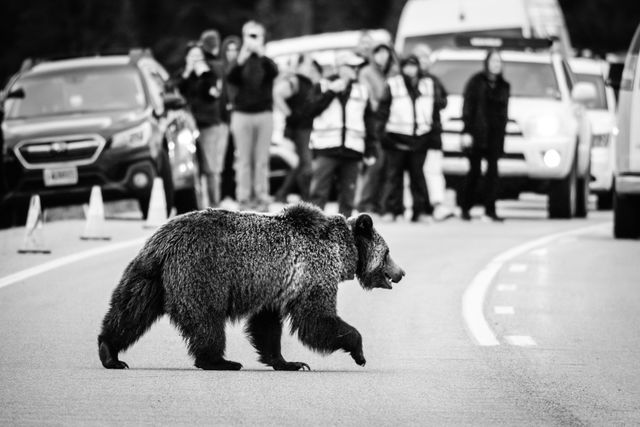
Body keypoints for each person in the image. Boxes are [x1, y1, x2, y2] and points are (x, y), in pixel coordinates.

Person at [306, 51, 378, 218]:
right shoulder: (322, 86)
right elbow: (309, 110)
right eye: (351, 66)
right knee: (319, 192)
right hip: (326, 147)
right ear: (340, 68)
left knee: (348, 195)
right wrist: (331, 93)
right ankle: (313, 231)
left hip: (353, 149)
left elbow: (369, 122)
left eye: (356, 66)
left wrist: (370, 148)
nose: (356, 69)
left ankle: (345, 232)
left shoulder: (362, 90)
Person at [377, 54, 443, 223]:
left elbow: (436, 109)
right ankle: (392, 210)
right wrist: (382, 135)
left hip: (420, 137)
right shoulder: (394, 84)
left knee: (418, 176)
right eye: (407, 65)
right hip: (396, 137)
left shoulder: (428, 84)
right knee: (394, 176)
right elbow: (383, 111)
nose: (410, 69)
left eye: (413, 65)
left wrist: (434, 136)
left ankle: (420, 211)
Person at [226, 21, 279, 212]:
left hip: (264, 114)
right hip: (242, 114)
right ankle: (244, 198)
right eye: (250, 35)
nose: (253, 39)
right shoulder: (240, 60)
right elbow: (230, 77)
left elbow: (274, 72)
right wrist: (243, 56)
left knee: (261, 159)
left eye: (257, 35)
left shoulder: (265, 61)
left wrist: (261, 52)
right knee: (244, 160)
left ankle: (262, 198)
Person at [460, 49, 510, 222]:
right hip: (477, 132)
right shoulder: (476, 82)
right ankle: (466, 208)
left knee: (493, 174)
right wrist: (466, 130)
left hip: (495, 135)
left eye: (499, 61)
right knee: (474, 172)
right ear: (487, 63)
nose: (496, 64)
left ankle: (491, 210)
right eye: (493, 61)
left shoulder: (504, 85)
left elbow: (503, 112)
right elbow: (468, 107)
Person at [182, 29, 227, 207]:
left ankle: (214, 206)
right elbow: (177, 90)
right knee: (192, 169)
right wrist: (187, 72)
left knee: (211, 168)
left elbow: (214, 93)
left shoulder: (211, 71)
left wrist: (204, 73)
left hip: (208, 124)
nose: (195, 60)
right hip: (188, 126)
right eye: (191, 56)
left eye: (198, 56)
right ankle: (196, 206)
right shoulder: (184, 75)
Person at [273, 55, 323, 203]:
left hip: (305, 128)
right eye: (307, 65)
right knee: (305, 165)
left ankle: (282, 194)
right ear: (299, 65)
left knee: (298, 165)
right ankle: (307, 198)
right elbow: (277, 94)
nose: (310, 68)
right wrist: (289, 114)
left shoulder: (308, 82)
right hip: (298, 129)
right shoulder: (295, 81)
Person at [412, 43, 454, 221]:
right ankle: (415, 206)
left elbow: (443, 101)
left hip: (432, 133)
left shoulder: (434, 81)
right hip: (412, 134)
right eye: (420, 58)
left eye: (426, 57)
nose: (424, 61)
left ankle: (437, 204)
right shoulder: (407, 81)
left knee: (433, 169)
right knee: (414, 172)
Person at [356, 43, 397, 215]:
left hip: (392, 121)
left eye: (385, 53)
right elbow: (370, 98)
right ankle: (364, 202)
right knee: (375, 162)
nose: (382, 56)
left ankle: (380, 204)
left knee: (388, 165)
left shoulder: (393, 71)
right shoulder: (367, 72)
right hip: (374, 120)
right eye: (378, 53)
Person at [219, 34, 242, 201]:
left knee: (239, 158)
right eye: (229, 50)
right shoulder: (221, 70)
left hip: (240, 116)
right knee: (225, 158)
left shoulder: (241, 69)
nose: (231, 53)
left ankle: (235, 192)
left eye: (235, 50)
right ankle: (225, 192)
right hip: (224, 120)